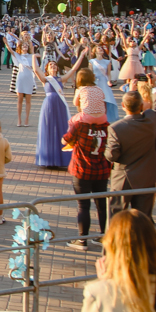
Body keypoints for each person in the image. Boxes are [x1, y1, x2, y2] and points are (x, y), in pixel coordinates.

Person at [62, 72, 112, 251]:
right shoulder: (107, 126)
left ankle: (82, 239)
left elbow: (65, 139)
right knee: (101, 204)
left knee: (83, 205)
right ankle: (103, 236)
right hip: (101, 169)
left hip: (82, 169)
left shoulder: (79, 124)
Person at [106, 90, 156, 218]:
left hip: (124, 177)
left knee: (117, 216)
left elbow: (112, 156)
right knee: (143, 218)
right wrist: (155, 90)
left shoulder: (116, 128)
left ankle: (115, 238)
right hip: (147, 176)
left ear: (123, 105)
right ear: (142, 106)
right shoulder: (151, 120)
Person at [33, 54, 83, 168]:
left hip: (60, 105)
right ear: (47, 69)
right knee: (49, 129)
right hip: (49, 105)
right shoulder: (45, 79)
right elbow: (36, 69)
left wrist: (82, 55)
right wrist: (34, 55)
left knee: (61, 128)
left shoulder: (61, 79)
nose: (53, 66)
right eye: (51, 65)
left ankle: (61, 158)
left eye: (55, 65)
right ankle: (49, 159)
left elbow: (74, 69)